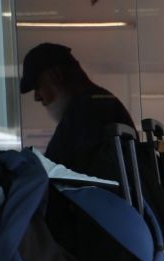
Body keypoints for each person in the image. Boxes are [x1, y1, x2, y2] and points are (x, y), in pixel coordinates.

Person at [20, 43, 134, 174]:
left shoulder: (86, 112)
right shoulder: (99, 103)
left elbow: (53, 173)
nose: (37, 97)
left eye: (38, 86)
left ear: (56, 75)